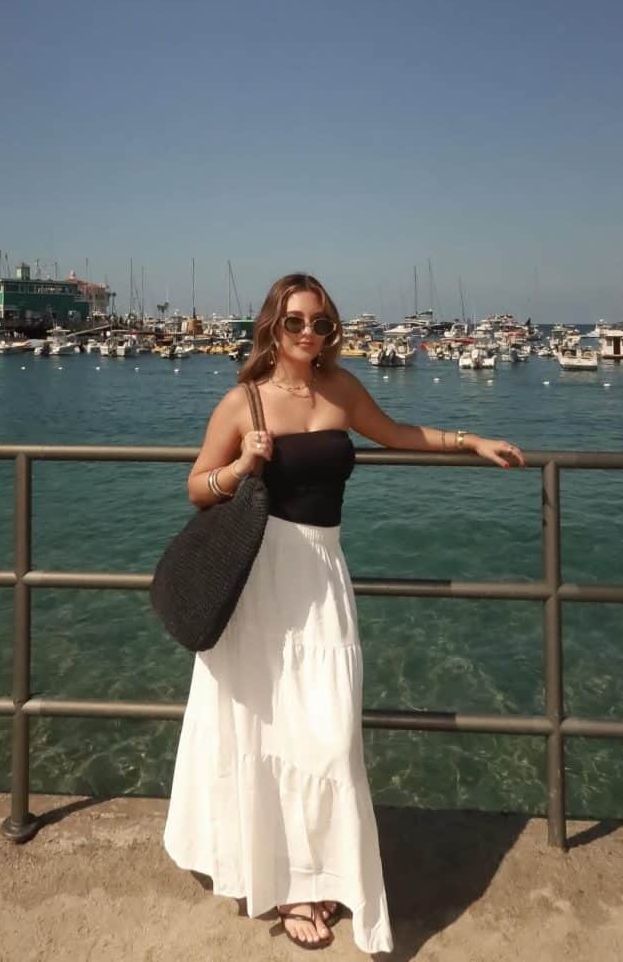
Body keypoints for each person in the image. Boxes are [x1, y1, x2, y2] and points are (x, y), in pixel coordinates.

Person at [163, 273, 525, 952]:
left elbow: (396, 433)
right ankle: (292, 884)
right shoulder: (244, 400)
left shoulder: (342, 389)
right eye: (296, 321)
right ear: (272, 327)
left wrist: (469, 439)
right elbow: (197, 488)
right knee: (266, 729)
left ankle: (319, 865)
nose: (309, 333)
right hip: (259, 576)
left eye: (321, 323)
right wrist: (241, 466)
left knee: (328, 735)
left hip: (322, 573)